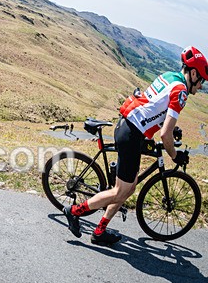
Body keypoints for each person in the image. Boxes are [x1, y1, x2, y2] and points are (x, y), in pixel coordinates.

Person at [63, 46, 207, 245]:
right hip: (132, 133)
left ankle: (100, 230)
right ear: (193, 73)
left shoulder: (170, 76)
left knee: (128, 188)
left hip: (131, 128)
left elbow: (153, 105)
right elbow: (165, 135)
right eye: (201, 81)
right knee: (120, 191)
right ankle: (74, 211)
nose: (201, 87)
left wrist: (170, 128)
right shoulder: (181, 92)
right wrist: (175, 156)